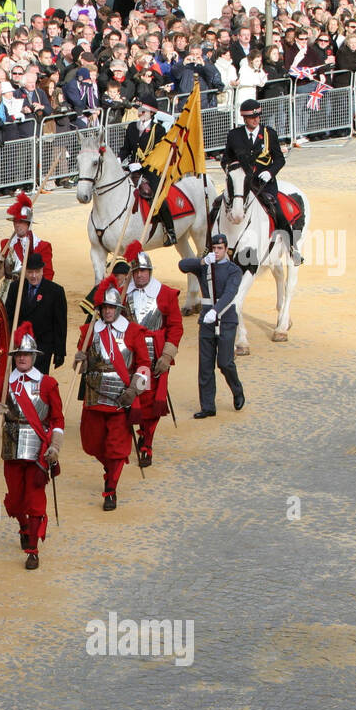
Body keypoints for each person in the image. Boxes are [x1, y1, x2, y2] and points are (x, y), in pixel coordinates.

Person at [73, 286, 151, 511]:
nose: (107, 312)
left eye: (111, 307)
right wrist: (80, 360)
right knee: (93, 444)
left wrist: (134, 390)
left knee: (116, 448)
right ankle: (110, 469)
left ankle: (110, 489)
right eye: (104, 308)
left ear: (118, 308)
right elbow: (82, 366)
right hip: (94, 398)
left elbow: (144, 365)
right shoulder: (89, 331)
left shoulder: (133, 332)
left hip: (120, 400)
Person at [0, 324, 64, 568]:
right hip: (11, 449)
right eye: (18, 355)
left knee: (35, 501)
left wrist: (54, 447)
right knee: (14, 501)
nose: (22, 358)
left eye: (26, 355)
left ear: (33, 357)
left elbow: (57, 419)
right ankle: (23, 526)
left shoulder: (47, 384)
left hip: (37, 452)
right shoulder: (4, 384)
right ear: (14, 358)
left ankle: (33, 549)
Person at [124, 248, 184, 466]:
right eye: (136, 271)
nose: (140, 275)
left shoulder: (166, 294)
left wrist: (167, 355)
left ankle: (147, 441)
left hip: (154, 354)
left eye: (144, 271)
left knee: (151, 403)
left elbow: (175, 327)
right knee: (133, 397)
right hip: (130, 354)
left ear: (150, 272)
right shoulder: (122, 294)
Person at [223, 98, 299, 262]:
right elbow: (226, 160)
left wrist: (270, 173)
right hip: (240, 183)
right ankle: (210, 243)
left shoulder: (268, 133)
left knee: (277, 209)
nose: (256, 119)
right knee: (218, 205)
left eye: (258, 116)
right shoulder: (234, 135)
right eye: (252, 117)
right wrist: (231, 172)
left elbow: (280, 159)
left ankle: (291, 246)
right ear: (244, 118)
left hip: (263, 183)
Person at [179, 235, 245, 418]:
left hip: (225, 318)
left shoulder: (234, 270)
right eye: (214, 248)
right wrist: (202, 261)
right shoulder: (205, 266)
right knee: (205, 366)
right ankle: (208, 406)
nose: (216, 252)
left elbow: (230, 293)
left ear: (226, 249)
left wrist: (215, 311)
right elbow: (183, 265)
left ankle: (237, 390)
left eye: (220, 248)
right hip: (207, 322)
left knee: (224, 362)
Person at [120, 97, 175, 242]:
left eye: (144, 111)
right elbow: (126, 148)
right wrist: (119, 158)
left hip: (151, 169)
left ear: (151, 113)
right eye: (140, 110)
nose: (141, 113)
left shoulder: (158, 130)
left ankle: (170, 230)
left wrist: (142, 165)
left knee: (156, 196)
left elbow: (159, 153)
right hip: (132, 167)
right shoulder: (132, 127)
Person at [4, 252, 67, 375]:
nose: (33, 276)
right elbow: (8, 317)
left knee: (38, 385)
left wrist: (60, 351)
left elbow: (60, 324)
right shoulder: (15, 288)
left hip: (42, 348)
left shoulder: (55, 291)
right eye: (30, 272)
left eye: (37, 272)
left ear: (42, 270)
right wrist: (5, 343)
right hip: (20, 347)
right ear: (25, 271)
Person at [0, 191, 54, 283]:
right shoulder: (6, 244)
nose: (17, 225)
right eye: (15, 221)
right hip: (8, 292)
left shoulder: (42, 247)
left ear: (28, 224)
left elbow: (48, 277)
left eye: (21, 222)